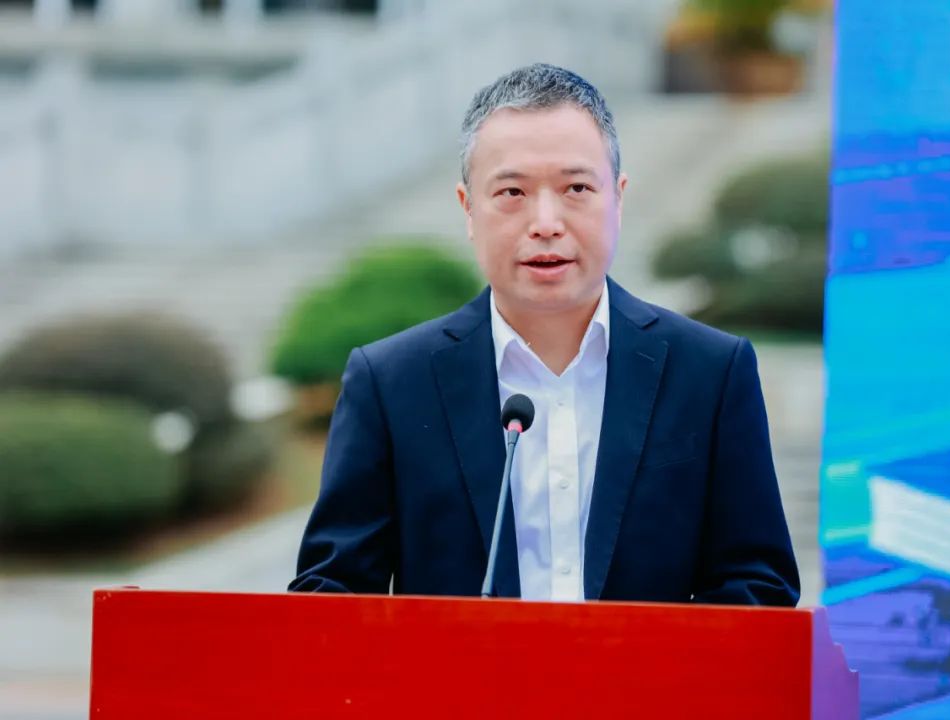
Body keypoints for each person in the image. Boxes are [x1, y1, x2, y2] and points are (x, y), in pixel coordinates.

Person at [289, 63, 799, 605]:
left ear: (618, 198)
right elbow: (330, 596)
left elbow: (758, 585)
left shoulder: (710, 372)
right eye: (513, 192)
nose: (546, 222)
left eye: (577, 187)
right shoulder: (391, 383)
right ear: (468, 209)